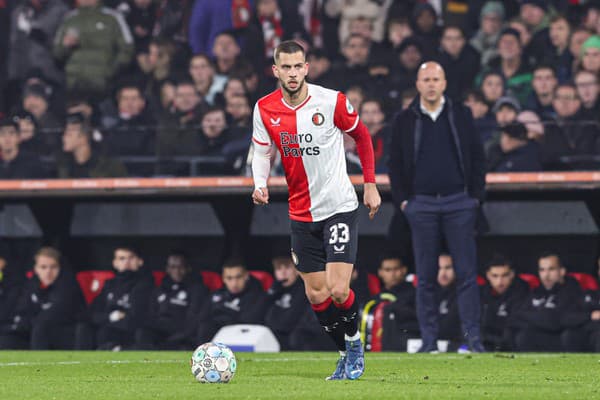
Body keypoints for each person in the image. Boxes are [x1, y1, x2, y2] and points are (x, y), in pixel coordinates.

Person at [251, 40, 380, 380]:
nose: (292, 74)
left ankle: (354, 345)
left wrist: (370, 184)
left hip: (338, 206)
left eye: (298, 67)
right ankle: (344, 350)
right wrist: (260, 183)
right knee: (316, 293)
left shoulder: (331, 100)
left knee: (339, 289)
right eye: (286, 67)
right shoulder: (264, 108)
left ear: (306, 68)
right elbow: (262, 151)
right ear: (276, 71)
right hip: (300, 213)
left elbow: (362, 136)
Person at [388, 62, 486, 353]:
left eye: (436, 79)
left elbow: (478, 158)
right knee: (425, 277)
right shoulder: (404, 119)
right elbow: (393, 165)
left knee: (467, 275)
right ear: (417, 84)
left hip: (459, 201)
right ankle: (429, 342)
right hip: (422, 204)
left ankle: (472, 340)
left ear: (444, 83)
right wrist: (405, 201)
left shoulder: (461, 113)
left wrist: (475, 198)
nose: (431, 84)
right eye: (426, 79)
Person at [0, 247, 85, 350]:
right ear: (36, 268)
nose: (48, 272)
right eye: (43, 267)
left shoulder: (68, 285)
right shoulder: (31, 284)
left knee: (41, 328)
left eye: (53, 267)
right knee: (6, 339)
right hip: (31, 333)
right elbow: (22, 310)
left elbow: (55, 313)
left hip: (62, 334)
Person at [53, 0, 134, 101]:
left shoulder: (113, 18)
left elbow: (127, 48)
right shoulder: (69, 19)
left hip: (103, 86)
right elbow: (56, 53)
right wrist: (65, 45)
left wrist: (109, 72)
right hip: (74, 85)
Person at [135, 252, 209, 350]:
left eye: (181, 267)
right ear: (167, 269)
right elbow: (151, 315)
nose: (177, 271)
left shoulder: (197, 289)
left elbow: (194, 319)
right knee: (142, 332)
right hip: (161, 332)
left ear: (188, 268)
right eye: (173, 267)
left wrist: (175, 339)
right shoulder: (160, 289)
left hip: (183, 333)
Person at [512, 252, 584, 352]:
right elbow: (516, 315)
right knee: (523, 335)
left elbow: (557, 321)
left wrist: (535, 316)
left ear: (562, 271)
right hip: (539, 339)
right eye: (542, 270)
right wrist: (542, 317)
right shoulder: (536, 292)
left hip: (562, 341)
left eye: (551, 269)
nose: (546, 275)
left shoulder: (573, 291)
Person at [197, 260, 268, 343]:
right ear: (223, 278)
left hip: (243, 343)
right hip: (215, 343)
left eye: (238, 277)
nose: (234, 283)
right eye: (229, 278)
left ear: (246, 276)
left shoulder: (258, 296)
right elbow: (203, 319)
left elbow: (250, 322)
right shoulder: (216, 296)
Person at [480, 254, 529, 351]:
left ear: (512, 274)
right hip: (488, 341)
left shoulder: (521, 291)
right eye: (495, 276)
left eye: (504, 275)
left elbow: (513, 325)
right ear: (488, 275)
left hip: (510, 344)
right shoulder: (483, 292)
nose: (500, 281)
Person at [264, 255, 312, 350]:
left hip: (296, 338)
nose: (283, 272)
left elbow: (293, 318)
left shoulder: (304, 290)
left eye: (287, 267)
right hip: (272, 336)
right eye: (278, 268)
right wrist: (272, 293)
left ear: (297, 270)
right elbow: (260, 316)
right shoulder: (274, 290)